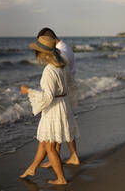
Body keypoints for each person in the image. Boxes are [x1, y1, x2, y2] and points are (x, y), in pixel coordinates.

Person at [19, 36, 79, 184]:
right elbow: (71, 84)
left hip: (54, 109)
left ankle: (61, 179)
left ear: (42, 53)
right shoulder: (62, 64)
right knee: (45, 141)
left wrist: (29, 91)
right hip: (63, 105)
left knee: (49, 146)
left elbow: (47, 97)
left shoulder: (49, 70)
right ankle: (32, 168)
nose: (36, 55)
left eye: (37, 52)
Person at [37, 27, 79, 167]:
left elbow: (59, 73)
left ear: (50, 39)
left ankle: (56, 156)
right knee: (65, 126)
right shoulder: (65, 47)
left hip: (62, 94)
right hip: (66, 92)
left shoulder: (62, 52)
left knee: (60, 126)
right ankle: (71, 156)